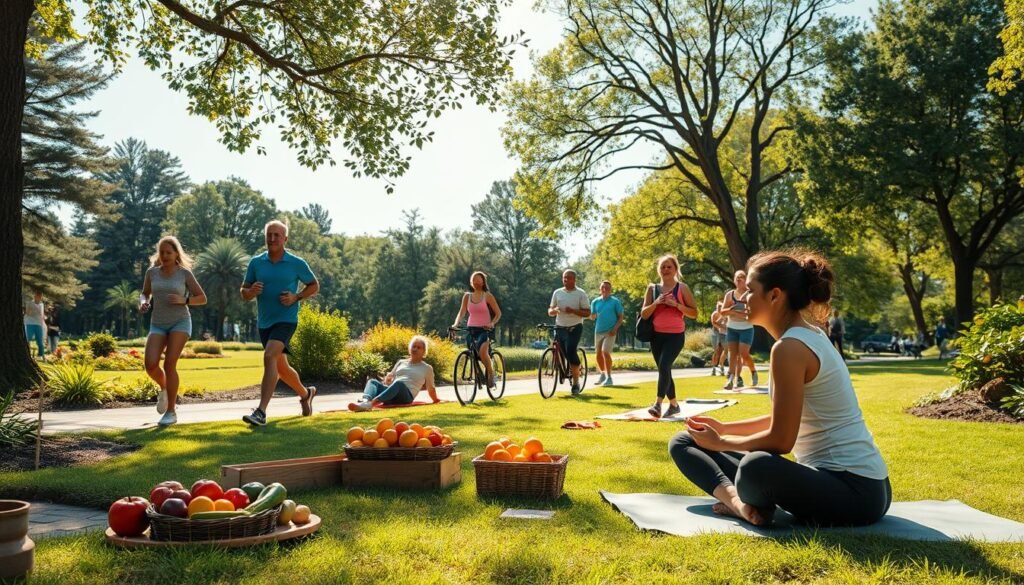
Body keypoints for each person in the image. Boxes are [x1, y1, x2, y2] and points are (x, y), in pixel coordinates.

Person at [668, 249, 891, 528]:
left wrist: (721, 443)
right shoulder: (807, 335)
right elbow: (783, 420)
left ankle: (744, 501)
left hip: (855, 492)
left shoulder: (790, 348)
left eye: (749, 291)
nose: (742, 298)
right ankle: (739, 504)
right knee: (685, 441)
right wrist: (723, 429)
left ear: (774, 295)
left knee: (756, 467)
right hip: (857, 486)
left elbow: (781, 441)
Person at [239, 220, 319, 426]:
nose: (273, 238)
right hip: (265, 322)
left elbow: (314, 285)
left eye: (277, 235)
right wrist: (251, 292)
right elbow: (244, 292)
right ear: (265, 237)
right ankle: (305, 393)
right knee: (281, 368)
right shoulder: (256, 262)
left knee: (269, 356)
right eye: (270, 235)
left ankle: (261, 412)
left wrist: (296, 297)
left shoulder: (296, 263)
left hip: (286, 319)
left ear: (285, 239)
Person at [140, 236, 207, 427]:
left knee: (170, 364)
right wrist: (144, 303)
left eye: (169, 252)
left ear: (177, 253)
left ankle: (171, 412)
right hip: (158, 323)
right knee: (150, 364)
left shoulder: (184, 274)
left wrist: (183, 300)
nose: (165, 255)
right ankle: (164, 388)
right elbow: (145, 293)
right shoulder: (152, 273)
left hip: (180, 322)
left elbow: (202, 298)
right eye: (162, 252)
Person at [640, 255, 698, 418]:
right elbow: (644, 314)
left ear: (675, 269)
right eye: (663, 267)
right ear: (659, 269)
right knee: (664, 370)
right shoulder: (652, 289)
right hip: (656, 336)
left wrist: (677, 305)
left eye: (669, 267)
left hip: (675, 336)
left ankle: (658, 404)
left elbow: (694, 313)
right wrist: (656, 302)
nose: (665, 270)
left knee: (664, 366)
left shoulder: (682, 288)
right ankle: (674, 405)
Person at [348, 336, 440, 411]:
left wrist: (435, 400)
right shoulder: (401, 362)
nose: (415, 349)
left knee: (399, 384)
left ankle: (370, 404)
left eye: (419, 347)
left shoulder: (427, 368)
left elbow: (431, 388)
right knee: (372, 382)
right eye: (413, 346)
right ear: (410, 348)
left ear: (424, 352)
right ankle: (365, 402)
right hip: (392, 394)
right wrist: (387, 380)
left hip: (406, 397)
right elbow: (389, 382)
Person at [451, 271, 502, 389]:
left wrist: (492, 323)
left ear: (483, 282)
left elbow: (498, 313)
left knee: (483, 353)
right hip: (471, 329)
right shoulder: (467, 296)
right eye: (474, 280)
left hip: (484, 329)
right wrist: (455, 324)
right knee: (473, 354)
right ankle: (477, 374)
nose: (476, 282)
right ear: (471, 282)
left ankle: (490, 373)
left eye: (479, 280)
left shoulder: (487, 296)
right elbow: (462, 312)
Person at [548, 269, 590, 395]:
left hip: (575, 327)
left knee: (571, 350)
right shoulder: (557, 292)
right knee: (563, 351)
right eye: (564, 277)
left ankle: (576, 383)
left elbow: (587, 313)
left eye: (569, 277)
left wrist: (573, 311)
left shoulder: (581, 293)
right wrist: (553, 311)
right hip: (560, 326)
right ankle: (572, 368)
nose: (566, 280)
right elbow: (550, 309)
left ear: (574, 279)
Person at [721, 271, 759, 389]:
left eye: (742, 277)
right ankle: (731, 380)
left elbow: (756, 313)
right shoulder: (729, 295)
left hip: (746, 328)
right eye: (737, 278)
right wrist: (732, 311)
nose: (739, 279)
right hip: (732, 327)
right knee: (732, 354)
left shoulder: (750, 294)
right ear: (734, 280)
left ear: (746, 280)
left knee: (744, 354)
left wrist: (745, 312)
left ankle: (753, 371)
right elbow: (722, 312)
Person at [589, 280, 624, 386]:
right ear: (600, 289)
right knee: (598, 354)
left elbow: (621, 317)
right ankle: (602, 374)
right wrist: (591, 316)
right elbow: (592, 316)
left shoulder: (615, 301)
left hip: (610, 332)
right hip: (598, 331)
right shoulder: (595, 302)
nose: (605, 289)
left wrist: (615, 329)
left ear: (610, 290)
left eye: (607, 288)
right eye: (603, 287)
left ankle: (609, 378)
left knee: (605, 352)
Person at [23, 290, 46, 359]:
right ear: (34, 296)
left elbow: (42, 315)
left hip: (39, 324)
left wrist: (43, 320)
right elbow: (27, 313)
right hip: (30, 323)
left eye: (40, 296)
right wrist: (35, 311)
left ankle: (40, 355)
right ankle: (26, 354)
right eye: (37, 296)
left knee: (40, 340)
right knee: (27, 339)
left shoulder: (42, 305)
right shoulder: (29, 303)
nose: (38, 298)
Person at [708, 302, 728, 376]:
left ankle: (721, 365)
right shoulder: (714, 314)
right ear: (717, 308)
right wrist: (722, 327)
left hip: (723, 333)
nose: (720, 309)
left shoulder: (724, 314)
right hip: (715, 333)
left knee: (726, 349)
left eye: (721, 307)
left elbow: (726, 323)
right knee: (716, 351)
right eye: (718, 308)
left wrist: (723, 327)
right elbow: (714, 323)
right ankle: (713, 368)